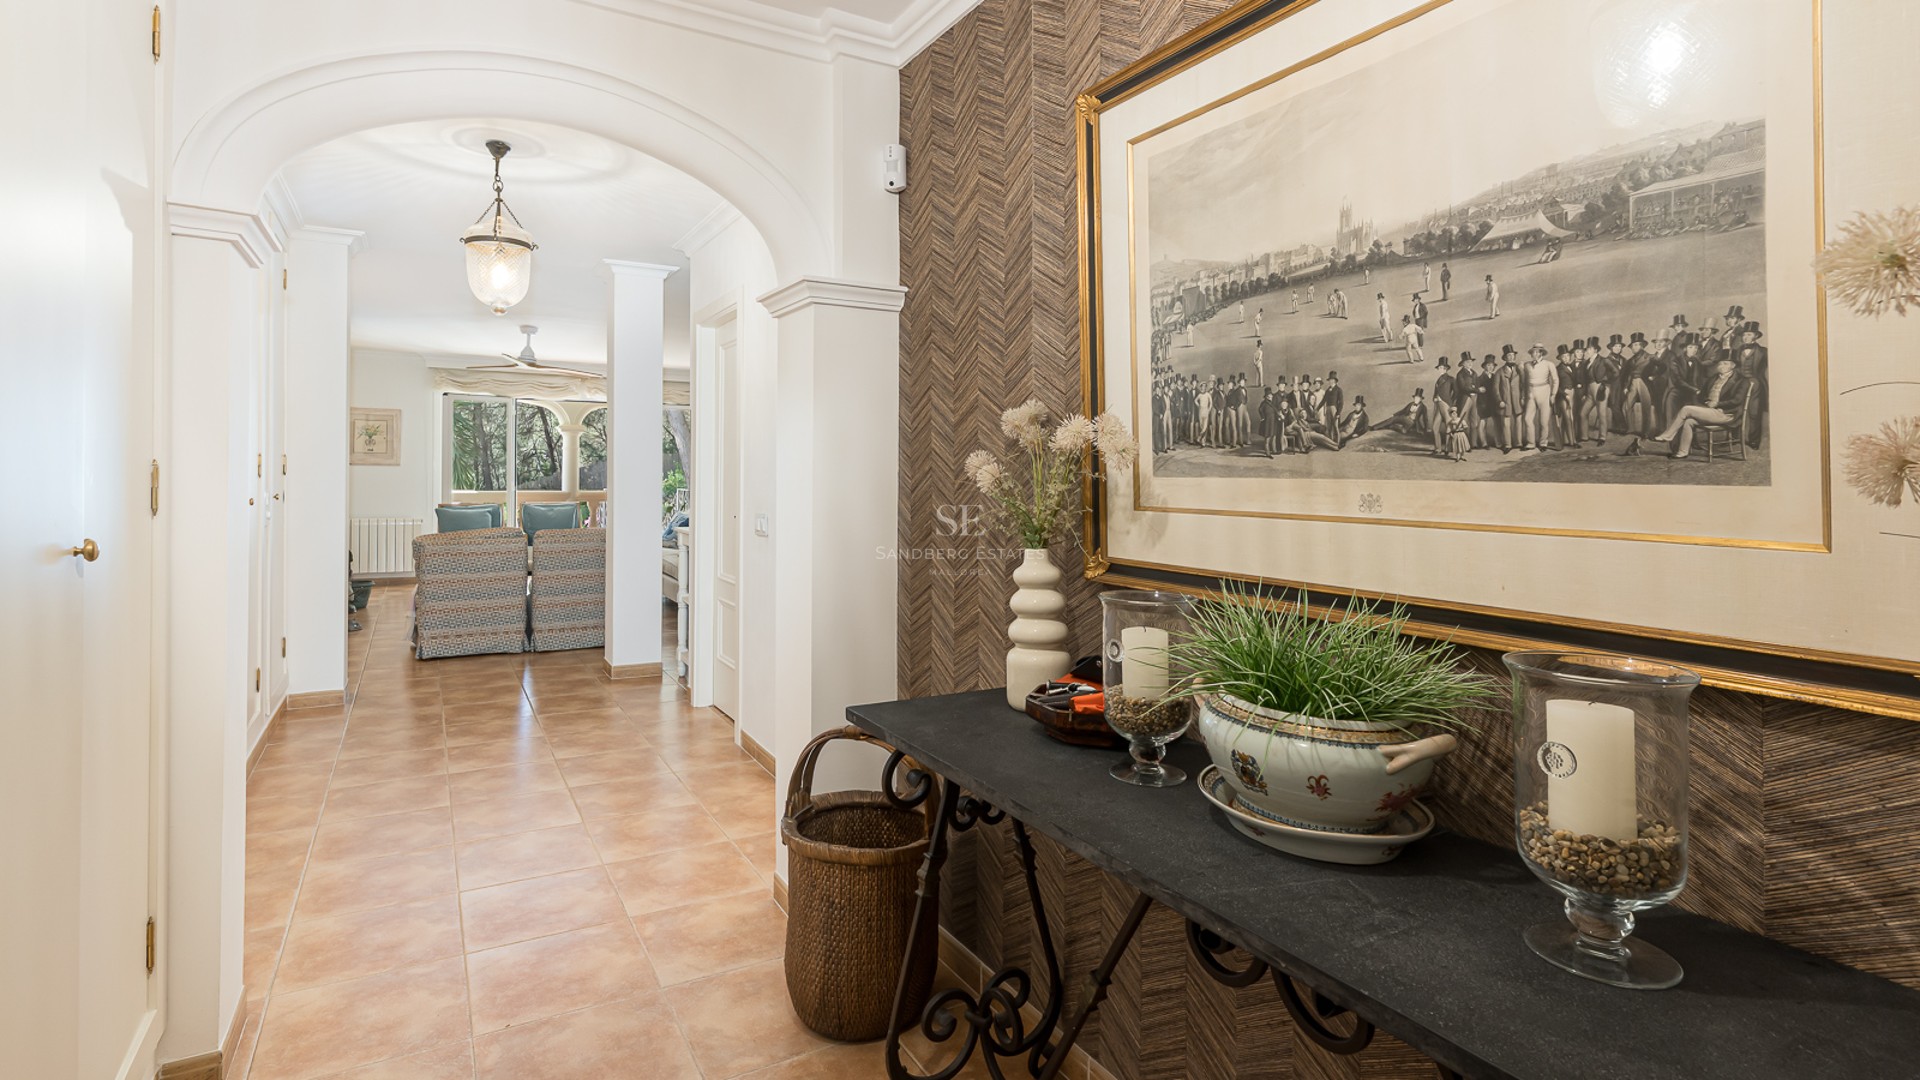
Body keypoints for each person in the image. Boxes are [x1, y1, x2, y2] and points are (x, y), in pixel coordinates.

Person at [1645, 355, 1750, 458]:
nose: (1721, 366)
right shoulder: (1713, 378)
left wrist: (1717, 404)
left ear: (1733, 366)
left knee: (1686, 409)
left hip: (1727, 414)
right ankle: (1682, 452)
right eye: (1720, 363)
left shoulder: (1741, 381)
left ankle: (1668, 435)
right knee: (1688, 422)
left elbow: (1737, 400)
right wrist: (1705, 402)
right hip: (1711, 412)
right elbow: (1702, 395)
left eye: (1725, 363)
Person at [1521, 344, 1559, 450]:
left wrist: (1553, 394)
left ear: (1542, 353)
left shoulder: (1549, 364)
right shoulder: (1527, 365)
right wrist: (1524, 396)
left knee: (1543, 421)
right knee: (1527, 419)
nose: (1535, 354)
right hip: (1531, 393)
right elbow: (1524, 382)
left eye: (1538, 352)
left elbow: (1555, 380)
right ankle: (1531, 443)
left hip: (1544, 392)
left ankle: (1543, 443)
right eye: (1534, 352)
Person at [1495, 348, 1524, 452]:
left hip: (1517, 400)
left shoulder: (1520, 369)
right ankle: (1507, 445)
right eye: (1509, 356)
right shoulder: (1499, 372)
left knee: (1519, 422)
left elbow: (1523, 385)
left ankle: (1519, 443)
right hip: (1505, 401)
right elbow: (1495, 389)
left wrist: (1523, 397)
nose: (1511, 357)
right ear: (1505, 358)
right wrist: (1499, 401)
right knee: (1506, 423)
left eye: (1513, 355)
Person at [1258, 387, 1278, 456]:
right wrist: (1263, 417)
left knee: (1273, 436)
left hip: (1273, 422)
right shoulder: (1263, 403)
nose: (1270, 397)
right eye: (1269, 396)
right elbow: (1260, 410)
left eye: (1271, 396)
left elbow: (1276, 411)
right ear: (1266, 397)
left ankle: (1274, 450)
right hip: (1267, 422)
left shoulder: (1273, 403)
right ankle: (1267, 452)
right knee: (1267, 437)